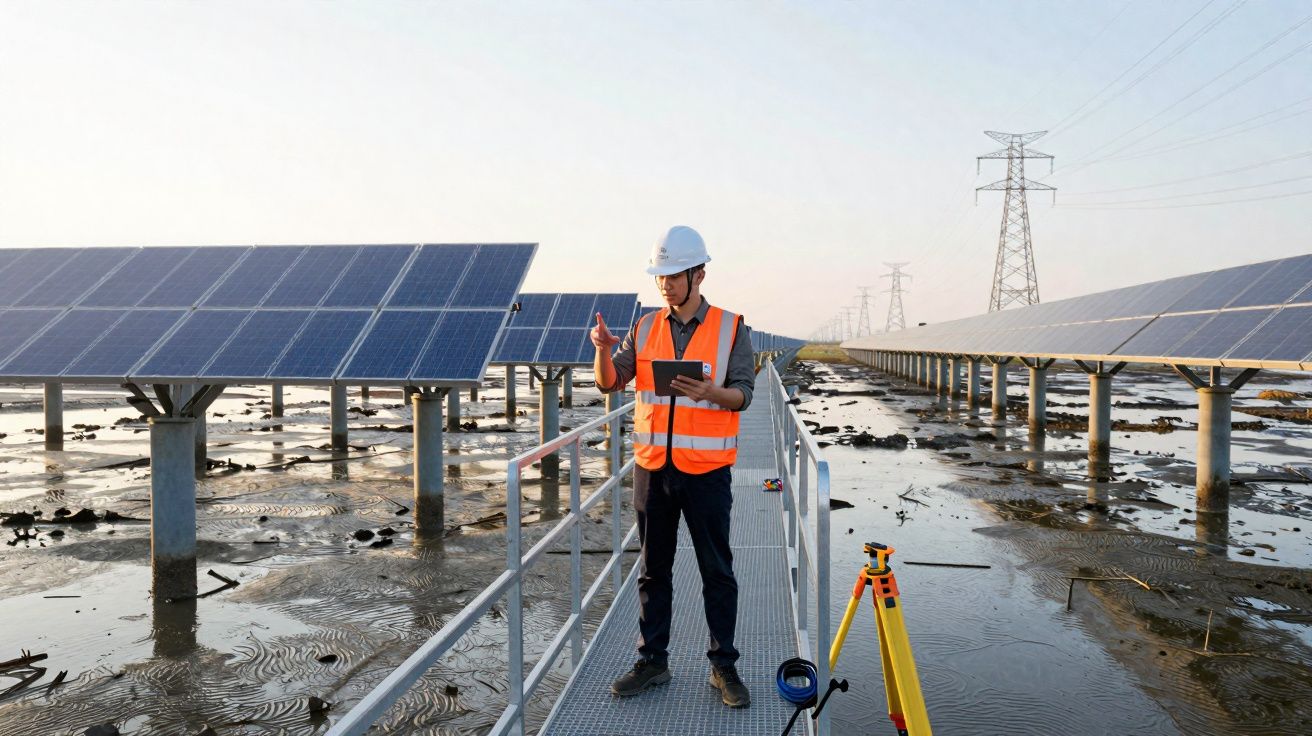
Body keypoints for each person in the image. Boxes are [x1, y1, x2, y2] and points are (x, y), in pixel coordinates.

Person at [591, 225, 755, 708]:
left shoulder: (731, 327)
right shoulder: (644, 328)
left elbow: (744, 393)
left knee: (716, 571)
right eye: (659, 276)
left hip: (706, 471)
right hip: (652, 469)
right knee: (652, 570)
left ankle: (723, 665)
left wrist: (712, 393)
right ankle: (652, 662)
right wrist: (603, 349)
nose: (664, 284)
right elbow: (610, 384)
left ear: (698, 273)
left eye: (673, 275)